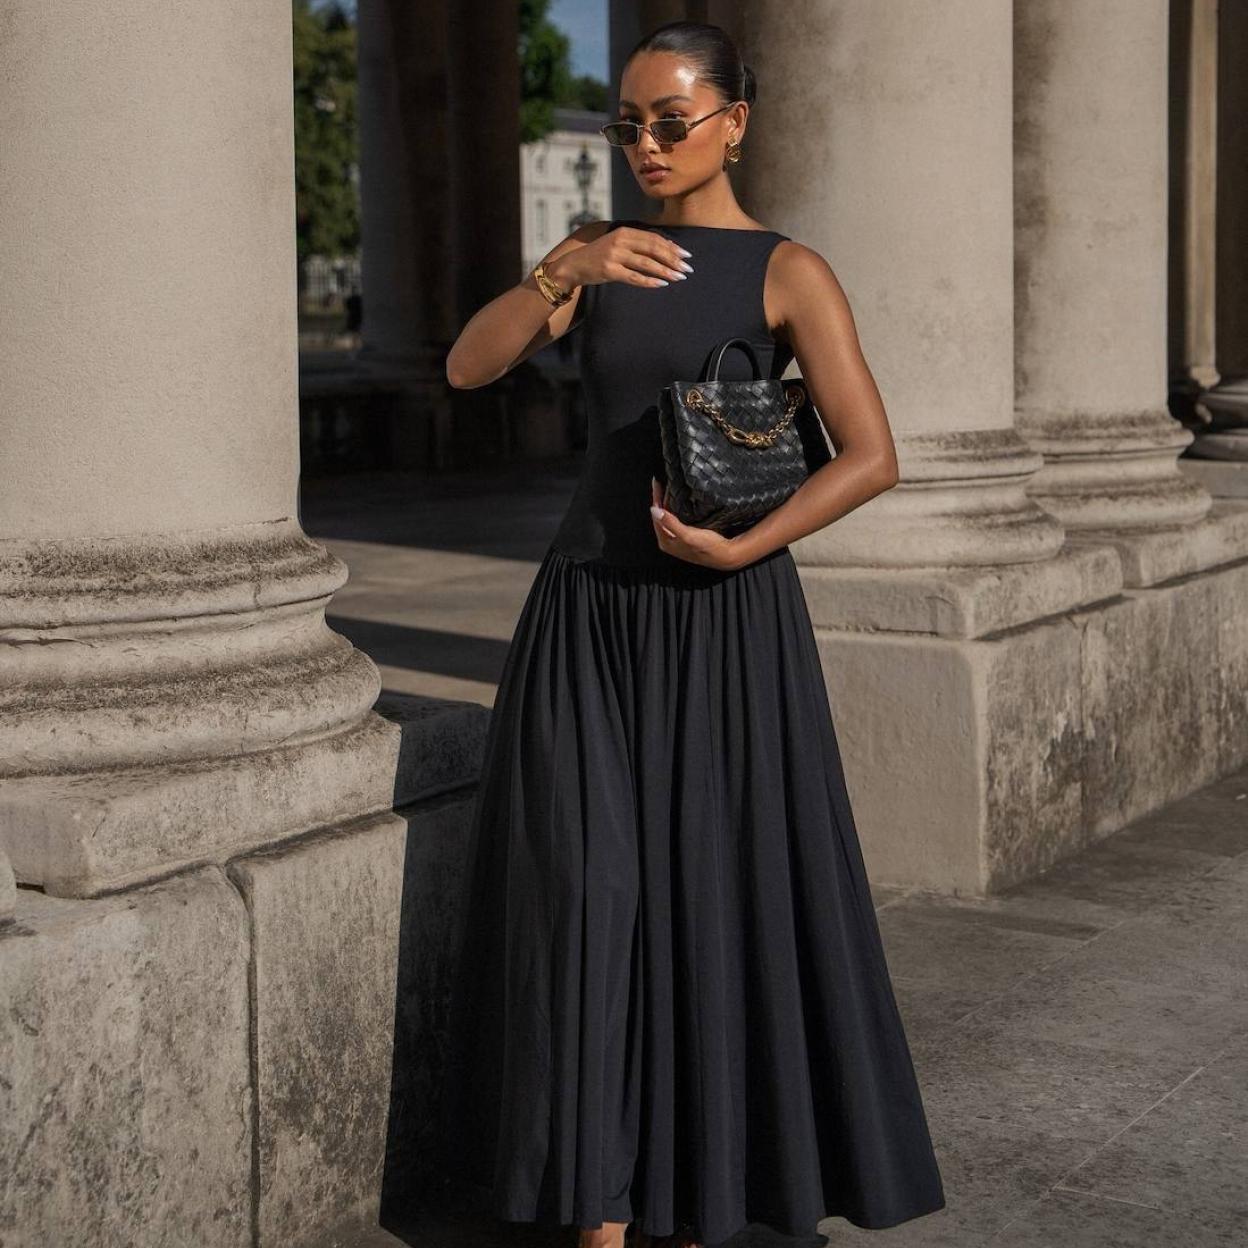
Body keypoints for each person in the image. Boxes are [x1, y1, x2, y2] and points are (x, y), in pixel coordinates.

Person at [434, 19, 946, 1248]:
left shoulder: (787, 272)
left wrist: (743, 546)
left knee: (711, 895)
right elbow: (465, 367)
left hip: (724, 620)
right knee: (587, 890)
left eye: (673, 119)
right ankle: (597, 1209)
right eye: (630, 123)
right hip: (587, 617)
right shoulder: (599, 254)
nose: (649, 143)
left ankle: (701, 1179)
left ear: (736, 123)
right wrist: (568, 271)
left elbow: (871, 456)